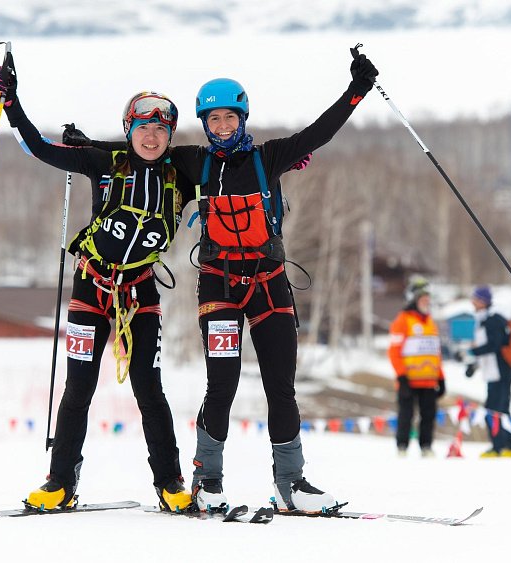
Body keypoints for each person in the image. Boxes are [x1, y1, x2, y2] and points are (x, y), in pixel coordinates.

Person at [170, 52, 379, 513]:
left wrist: (357, 91)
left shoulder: (269, 157)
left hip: (269, 284)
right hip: (219, 288)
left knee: (281, 385)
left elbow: (319, 133)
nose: (222, 126)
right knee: (221, 384)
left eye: (230, 117)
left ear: (242, 117)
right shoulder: (192, 162)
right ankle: (207, 480)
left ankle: (291, 484)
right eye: (213, 119)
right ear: (204, 123)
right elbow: (141, 149)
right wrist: (86, 145)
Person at [0, 57, 193, 512]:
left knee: (148, 388)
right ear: (129, 129)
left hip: (140, 291)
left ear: (170, 135)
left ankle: (170, 483)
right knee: (78, 388)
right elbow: (38, 147)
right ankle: (60, 482)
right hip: (92, 287)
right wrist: (11, 102)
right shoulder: (103, 163)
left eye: (161, 129)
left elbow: (233, 171)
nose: (152, 136)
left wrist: (275, 175)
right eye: (143, 127)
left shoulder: (183, 171)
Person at [388, 275, 445, 458]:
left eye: (428, 298)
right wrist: (401, 375)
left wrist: (441, 377)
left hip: (429, 380)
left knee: (429, 415)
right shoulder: (403, 320)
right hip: (409, 380)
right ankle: (402, 446)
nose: (427, 302)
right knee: (406, 415)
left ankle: (426, 446)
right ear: (414, 300)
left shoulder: (430, 322)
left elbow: (434, 352)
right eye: (423, 298)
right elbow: (394, 351)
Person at [464, 285, 511, 458]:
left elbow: (494, 345)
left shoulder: (493, 320)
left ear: (483, 301)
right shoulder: (484, 319)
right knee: (500, 409)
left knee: (494, 409)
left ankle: (499, 447)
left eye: (475, 299)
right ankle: (506, 446)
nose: (473, 302)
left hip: (500, 372)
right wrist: (473, 365)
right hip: (493, 372)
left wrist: (473, 352)